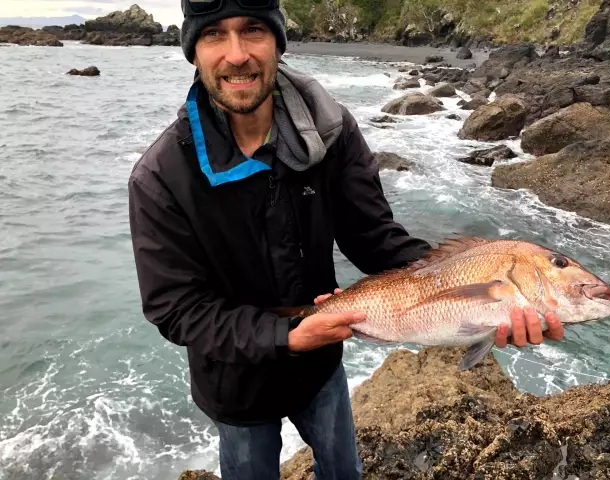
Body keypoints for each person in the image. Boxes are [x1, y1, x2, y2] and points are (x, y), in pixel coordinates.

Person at [127, 0, 565, 478]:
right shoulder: (161, 176)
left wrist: (470, 287)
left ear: (277, 41)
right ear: (194, 51)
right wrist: (286, 335)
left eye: (253, 30)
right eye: (214, 35)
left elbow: (375, 238)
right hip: (234, 383)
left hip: (321, 367)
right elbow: (176, 308)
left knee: (343, 472)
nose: (236, 55)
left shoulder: (331, 132)